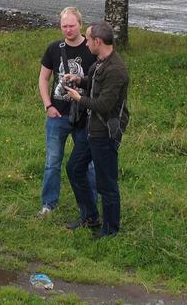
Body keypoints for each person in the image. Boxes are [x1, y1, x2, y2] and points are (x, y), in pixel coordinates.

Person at [65, 21, 130, 238]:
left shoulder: (116, 70)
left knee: (107, 184)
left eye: (88, 38)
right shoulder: (99, 63)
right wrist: (78, 80)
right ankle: (90, 216)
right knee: (74, 168)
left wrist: (79, 98)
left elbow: (105, 105)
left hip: (105, 134)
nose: (86, 43)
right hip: (90, 131)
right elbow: (92, 83)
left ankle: (110, 231)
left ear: (98, 41)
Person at [37, 6, 97, 216]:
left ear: (80, 24)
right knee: (52, 162)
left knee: (87, 164)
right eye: (64, 26)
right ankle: (48, 204)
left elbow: (99, 82)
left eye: (72, 25)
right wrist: (48, 105)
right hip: (57, 115)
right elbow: (44, 78)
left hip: (84, 116)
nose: (68, 30)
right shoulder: (54, 48)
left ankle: (90, 205)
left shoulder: (92, 49)